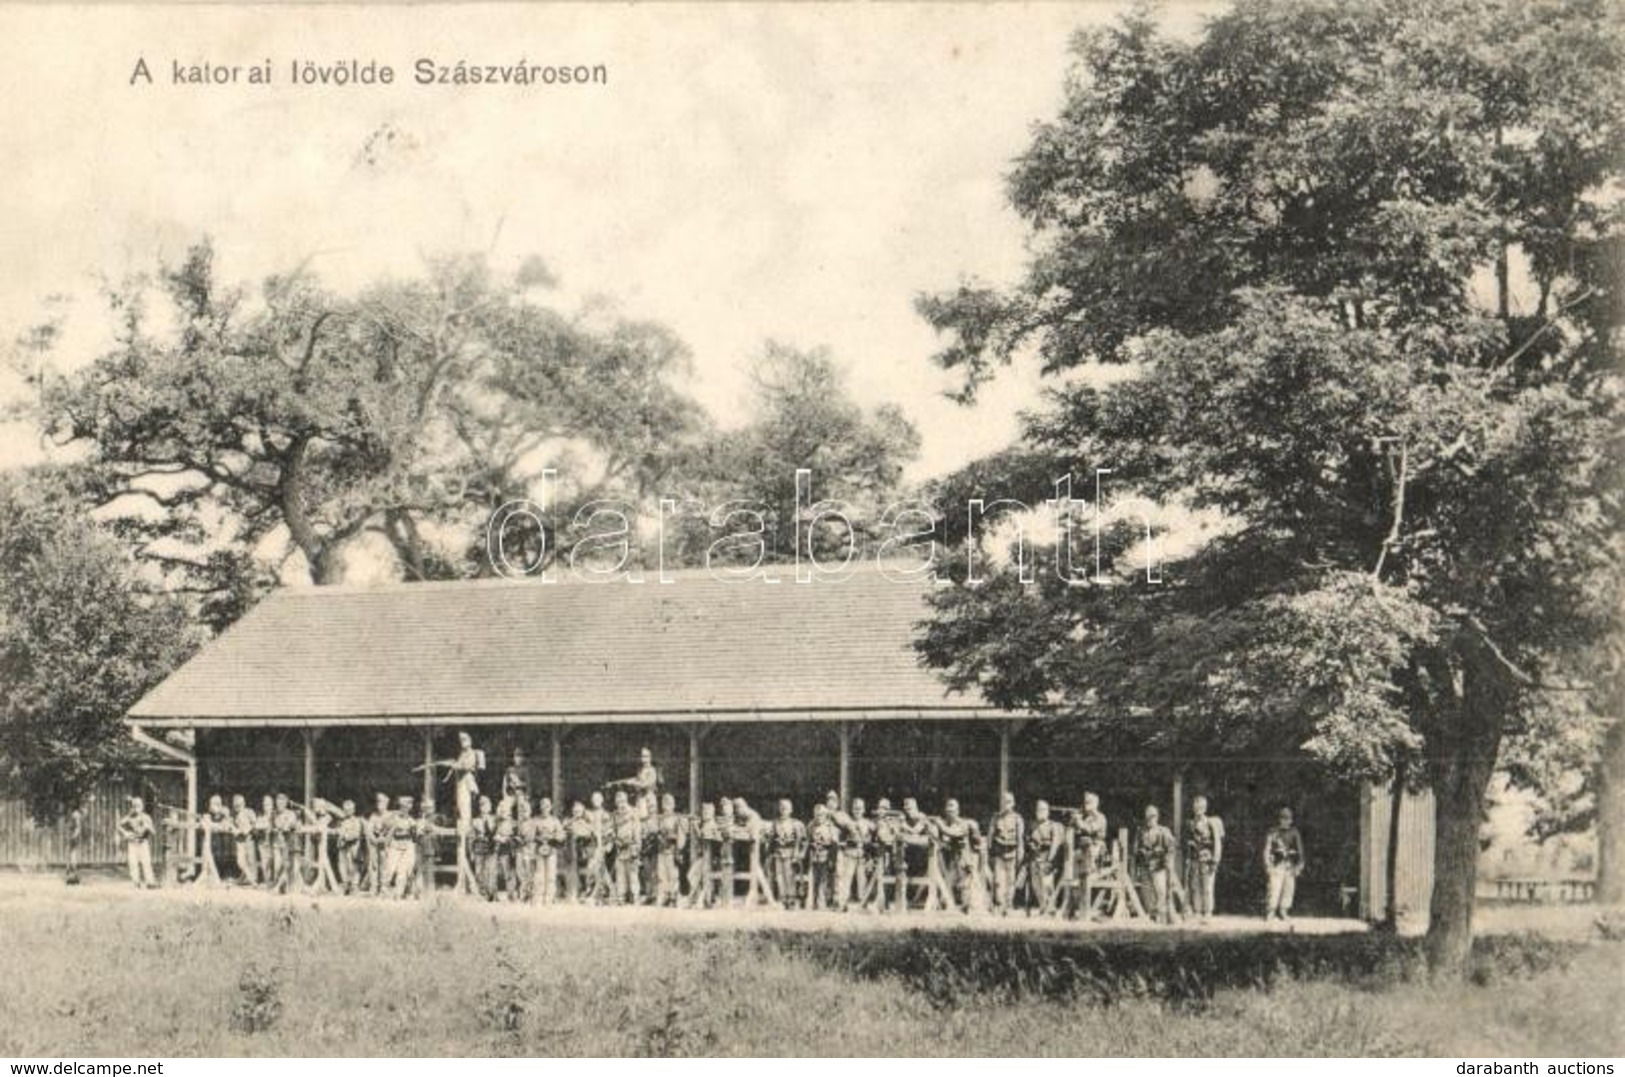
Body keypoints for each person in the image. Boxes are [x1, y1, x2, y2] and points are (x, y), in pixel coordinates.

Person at [1184, 795, 1225, 922]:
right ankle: (1197, 911)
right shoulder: (1190, 823)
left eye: (1201, 807)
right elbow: (1187, 840)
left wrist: (1215, 860)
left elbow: (1217, 842)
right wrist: (1189, 846)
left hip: (1207, 859)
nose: (1198, 810)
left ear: (1205, 808)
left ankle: (1207, 912)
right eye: (1196, 807)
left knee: (1207, 887)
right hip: (1195, 858)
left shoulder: (1211, 823)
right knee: (1195, 886)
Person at [1135, 805, 1177, 924]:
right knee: (1147, 892)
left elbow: (1171, 848)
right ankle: (1152, 915)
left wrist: (1167, 862)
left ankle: (1162, 917)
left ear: (1157, 817)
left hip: (1159, 866)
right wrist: (1141, 853)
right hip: (1145, 865)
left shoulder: (1163, 831)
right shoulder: (1140, 831)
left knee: (1161, 891)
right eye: (1148, 816)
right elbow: (1136, 848)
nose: (1150, 819)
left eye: (1153, 816)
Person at [1263, 807, 1306, 921]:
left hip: (1289, 865)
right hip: (1276, 865)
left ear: (1291, 820)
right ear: (1279, 819)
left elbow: (1300, 850)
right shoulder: (1273, 832)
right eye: (1283, 818)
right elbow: (1267, 849)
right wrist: (1267, 865)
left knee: (1288, 890)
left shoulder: (1294, 833)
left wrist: (1299, 866)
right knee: (1274, 888)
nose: (1285, 821)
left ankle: (1283, 911)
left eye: (1288, 819)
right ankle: (1271, 911)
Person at [1072, 792, 1108, 919]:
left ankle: (1090, 907)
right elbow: (1076, 831)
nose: (1086, 803)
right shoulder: (1085, 817)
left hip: (1096, 848)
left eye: (1089, 801)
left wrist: (1079, 821)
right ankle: (1077, 906)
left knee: (1088, 873)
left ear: (1096, 803)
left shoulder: (1100, 817)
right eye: (1085, 801)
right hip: (1082, 849)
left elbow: (1089, 829)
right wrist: (1074, 820)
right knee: (1073, 868)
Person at [832, 797, 871, 912]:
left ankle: (863, 903)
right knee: (846, 879)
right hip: (849, 853)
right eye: (855, 809)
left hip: (862, 854)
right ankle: (842, 903)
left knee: (862, 880)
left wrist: (866, 841)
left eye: (859, 809)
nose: (857, 811)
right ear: (852, 810)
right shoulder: (846, 822)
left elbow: (870, 837)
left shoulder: (867, 823)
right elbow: (836, 819)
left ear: (864, 810)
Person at [1026, 800, 1065, 915]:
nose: (1041, 812)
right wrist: (1030, 845)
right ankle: (1043, 906)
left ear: (1048, 812)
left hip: (1047, 856)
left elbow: (1055, 843)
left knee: (1047, 884)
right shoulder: (1032, 825)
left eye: (1043, 809)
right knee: (1036, 884)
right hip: (1034, 857)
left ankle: (1051, 907)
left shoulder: (1053, 826)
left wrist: (1050, 860)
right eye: (1039, 809)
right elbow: (1028, 839)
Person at [766, 798, 806, 909]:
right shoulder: (775, 823)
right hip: (778, 853)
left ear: (791, 810)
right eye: (782, 807)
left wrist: (798, 853)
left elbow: (801, 840)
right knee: (779, 877)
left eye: (786, 807)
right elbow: (771, 839)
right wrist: (770, 852)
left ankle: (791, 899)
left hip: (790, 853)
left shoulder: (796, 824)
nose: (784, 809)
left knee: (790, 876)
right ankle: (783, 899)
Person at [988, 792, 1024, 915]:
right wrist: (989, 853)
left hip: (1012, 854)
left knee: (1011, 881)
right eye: (1004, 801)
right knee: (998, 881)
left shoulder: (1017, 819)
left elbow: (1020, 838)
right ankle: (1000, 904)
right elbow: (990, 837)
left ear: (1013, 803)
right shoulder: (995, 818)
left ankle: (1008, 905)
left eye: (1009, 801)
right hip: (999, 854)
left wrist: (1020, 853)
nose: (1006, 804)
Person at [608, 790, 643, 905]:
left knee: (633, 873)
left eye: (623, 801)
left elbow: (637, 830)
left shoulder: (633, 812)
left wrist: (637, 846)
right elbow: (611, 829)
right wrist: (614, 839)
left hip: (631, 845)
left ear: (626, 800)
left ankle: (635, 895)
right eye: (618, 801)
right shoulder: (615, 815)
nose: (621, 804)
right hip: (620, 846)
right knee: (620, 873)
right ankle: (621, 896)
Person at [653, 793, 687, 907]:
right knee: (662, 874)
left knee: (673, 874)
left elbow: (681, 835)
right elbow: (656, 832)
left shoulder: (677, 818)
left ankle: (674, 896)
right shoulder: (659, 819)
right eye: (664, 803)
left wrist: (679, 848)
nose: (667, 805)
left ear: (673, 805)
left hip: (672, 850)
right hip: (661, 850)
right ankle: (665, 895)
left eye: (669, 803)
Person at [530, 797, 565, 905]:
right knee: (539, 874)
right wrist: (538, 839)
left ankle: (549, 898)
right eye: (543, 806)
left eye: (547, 806)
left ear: (551, 807)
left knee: (551, 875)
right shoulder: (536, 820)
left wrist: (553, 837)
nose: (545, 808)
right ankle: (539, 897)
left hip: (551, 850)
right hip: (539, 850)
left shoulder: (555, 821)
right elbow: (531, 835)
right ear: (540, 807)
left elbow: (561, 835)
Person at [805, 803, 840, 910]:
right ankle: (811, 903)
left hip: (825, 856)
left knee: (823, 881)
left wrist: (832, 860)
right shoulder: (811, 826)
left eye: (821, 815)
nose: (819, 817)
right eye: (817, 814)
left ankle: (822, 902)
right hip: (813, 857)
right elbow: (808, 841)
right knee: (813, 880)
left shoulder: (831, 827)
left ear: (825, 815)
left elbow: (834, 845)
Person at [117, 796, 157, 889]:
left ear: (142, 806)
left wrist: (148, 827)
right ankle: (136, 882)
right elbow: (119, 825)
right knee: (133, 863)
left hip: (143, 842)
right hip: (133, 843)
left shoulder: (146, 817)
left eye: (138, 806)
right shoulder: (130, 817)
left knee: (146, 862)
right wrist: (125, 833)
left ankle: (150, 882)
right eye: (134, 806)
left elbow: (154, 832)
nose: (136, 808)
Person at [468, 796, 497, 900]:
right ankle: (482, 892)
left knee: (491, 870)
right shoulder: (475, 821)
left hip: (491, 848)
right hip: (479, 848)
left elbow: (497, 833)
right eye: (482, 805)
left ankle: (492, 893)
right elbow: (471, 837)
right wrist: (471, 851)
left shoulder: (494, 820)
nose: (484, 807)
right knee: (479, 871)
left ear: (490, 807)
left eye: (486, 805)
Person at [364, 792, 391, 896]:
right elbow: (369, 830)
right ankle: (373, 887)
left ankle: (383, 887)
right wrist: (374, 839)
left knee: (384, 866)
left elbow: (391, 830)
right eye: (379, 803)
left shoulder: (390, 816)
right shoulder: (373, 816)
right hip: (374, 845)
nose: (381, 805)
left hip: (385, 845)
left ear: (387, 804)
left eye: (383, 803)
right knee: (373, 865)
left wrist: (385, 839)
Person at [335, 799, 363, 894]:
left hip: (353, 846)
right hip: (343, 847)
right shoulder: (341, 821)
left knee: (354, 866)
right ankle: (345, 884)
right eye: (346, 810)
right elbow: (337, 831)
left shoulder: (356, 821)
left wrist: (345, 836)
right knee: (342, 865)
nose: (348, 812)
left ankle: (354, 886)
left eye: (350, 809)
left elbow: (356, 834)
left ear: (353, 810)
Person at [232, 794, 260, 886]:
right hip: (240, 841)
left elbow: (255, 823)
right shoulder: (235, 816)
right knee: (241, 861)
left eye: (239, 804)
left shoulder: (249, 812)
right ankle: (251, 879)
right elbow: (233, 827)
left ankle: (250, 879)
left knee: (250, 861)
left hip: (249, 839)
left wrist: (248, 829)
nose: (237, 807)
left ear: (244, 803)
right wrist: (235, 830)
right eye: (235, 805)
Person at [253, 796, 275, 890]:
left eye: (268, 804)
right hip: (263, 843)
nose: (266, 806)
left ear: (272, 805)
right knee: (264, 863)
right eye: (265, 804)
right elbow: (256, 828)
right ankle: (267, 882)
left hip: (273, 843)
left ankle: (274, 882)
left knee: (274, 863)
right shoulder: (260, 817)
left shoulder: (275, 816)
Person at [65, 806, 84, 885]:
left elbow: (78, 827)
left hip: (74, 837)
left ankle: (74, 877)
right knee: (70, 855)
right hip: (72, 836)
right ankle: (71, 877)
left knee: (73, 856)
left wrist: (74, 836)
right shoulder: (73, 814)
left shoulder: (75, 814)